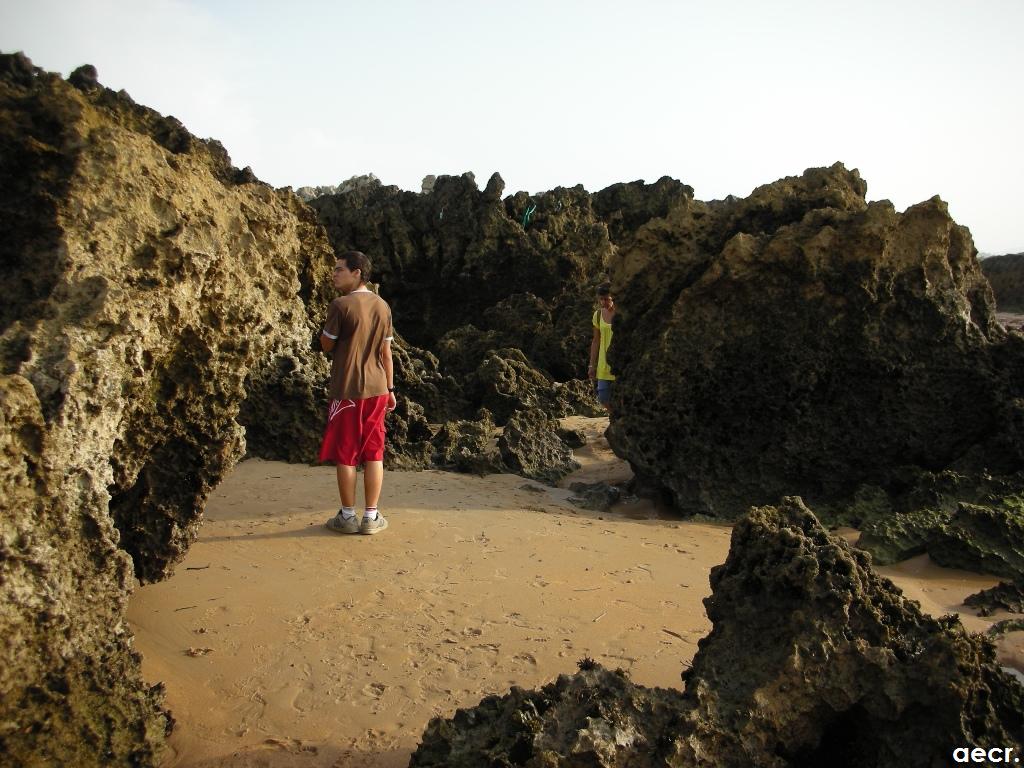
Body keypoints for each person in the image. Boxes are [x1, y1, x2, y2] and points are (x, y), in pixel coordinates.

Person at [319, 251, 397, 535]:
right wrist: (390, 389)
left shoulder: (340, 305)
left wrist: (326, 336)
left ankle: (348, 516)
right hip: (377, 389)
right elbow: (386, 353)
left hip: (347, 390)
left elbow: (327, 345)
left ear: (357, 273)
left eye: (339, 269)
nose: (334, 274)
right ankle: (371, 517)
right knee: (374, 451)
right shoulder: (383, 306)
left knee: (346, 452)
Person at [588, 282, 616, 411]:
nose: (603, 302)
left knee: (622, 397)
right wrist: (592, 365)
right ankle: (615, 416)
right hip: (603, 365)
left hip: (619, 364)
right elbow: (595, 341)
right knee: (603, 397)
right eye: (601, 299)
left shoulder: (621, 313)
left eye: (607, 299)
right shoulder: (597, 315)